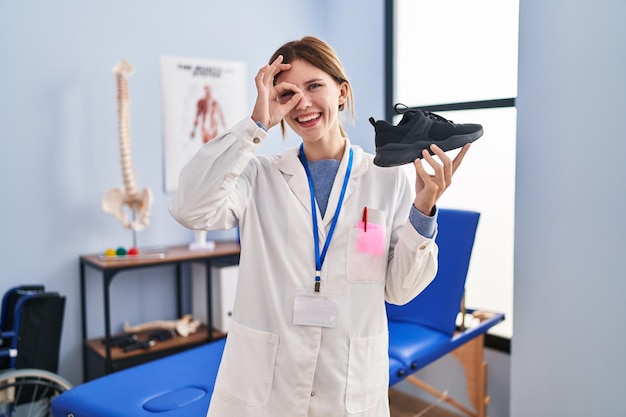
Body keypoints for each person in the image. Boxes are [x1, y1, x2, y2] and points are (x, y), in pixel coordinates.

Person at [169, 36, 470, 417]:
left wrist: (424, 208)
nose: (303, 103)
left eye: (315, 86)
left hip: (348, 387)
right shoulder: (258, 176)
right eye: (288, 92)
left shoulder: (387, 179)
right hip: (265, 388)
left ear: (342, 92)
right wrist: (256, 124)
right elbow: (191, 208)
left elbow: (400, 290)